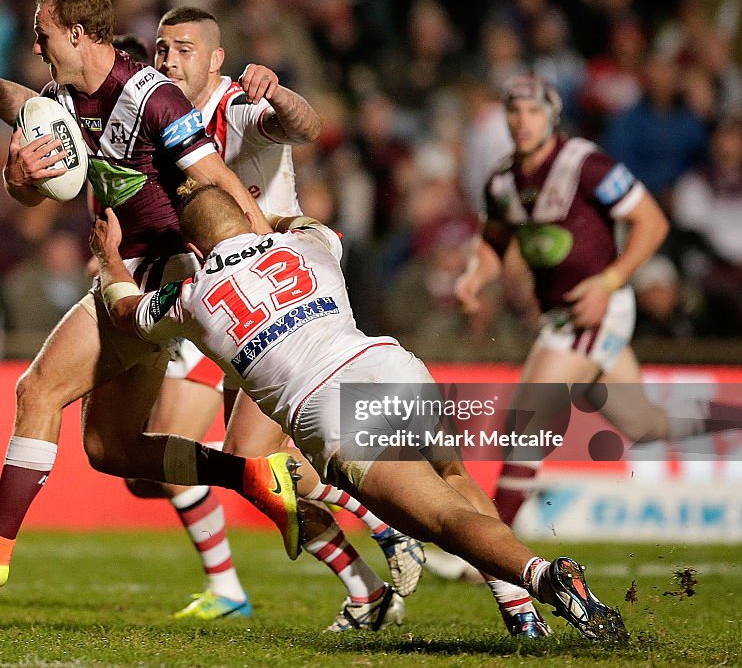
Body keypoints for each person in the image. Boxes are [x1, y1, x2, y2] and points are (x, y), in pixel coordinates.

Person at [0, 0, 302, 597]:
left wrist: (259, 260)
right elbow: (22, 109)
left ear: (80, 33)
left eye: (44, 36)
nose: (37, 47)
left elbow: (218, 179)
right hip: (131, 275)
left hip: (161, 279)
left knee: (37, 391)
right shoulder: (66, 92)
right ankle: (250, 475)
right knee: (112, 448)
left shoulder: (152, 99)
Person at [89, 183, 628, 643]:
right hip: (391, 366)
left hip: (334, 411)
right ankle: (521, 612)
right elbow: (301, 222)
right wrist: (263, 214)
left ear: (192, 245)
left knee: (440, 519)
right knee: (454, 479)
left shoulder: (195, 295)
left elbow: (122, 309)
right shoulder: (308, 243)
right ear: (249, 217)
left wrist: (111, 256)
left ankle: (544, 575)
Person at [126, 6, 425, 629]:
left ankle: (366, 551)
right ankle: (360, 571)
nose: (168, 59)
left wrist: (281, 94)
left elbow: (304, 125)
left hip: (272, 301)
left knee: (238, 462)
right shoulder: (158, 119)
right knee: (220, 464)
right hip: (215, 301)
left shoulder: (236, 107)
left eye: (183, 48)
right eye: (161, 48)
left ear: (214, 59)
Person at [453, 74, 742, 551]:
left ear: (552, 116)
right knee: (645, 425)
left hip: (596, 310)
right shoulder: (504, 181)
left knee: (527, 423)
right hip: (561, 314)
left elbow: (651, 222)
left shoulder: (585, 164)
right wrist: (475, 275)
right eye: (514, 111)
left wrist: (609, 282)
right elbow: (494, 242)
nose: (522, 120)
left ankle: (490, 552)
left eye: (532, 110)